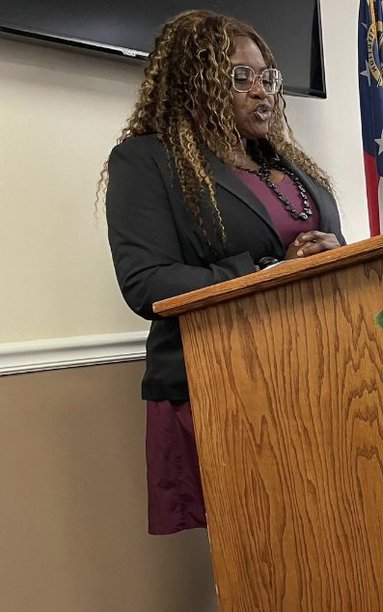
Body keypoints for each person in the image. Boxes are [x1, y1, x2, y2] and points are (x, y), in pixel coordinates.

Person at [104, 11, 344, 535]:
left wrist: (336, 250)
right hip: (226, 385)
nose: (262, 91)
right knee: (259, 552)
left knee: (325, 539)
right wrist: (268, 270)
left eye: (267, 77)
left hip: (322, 372)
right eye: (241, 77)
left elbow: (318, 256)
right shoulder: (147, 162)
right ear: (196, 83)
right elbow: (146, 282)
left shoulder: (285, 163)